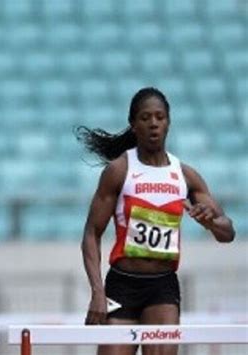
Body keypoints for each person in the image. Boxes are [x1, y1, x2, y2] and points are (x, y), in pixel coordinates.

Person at [75, 87, 235, 355]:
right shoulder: (119, 171)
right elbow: (91, 233)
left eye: (160, 117)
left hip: (162, 286)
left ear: (168, 123)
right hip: (122, 285)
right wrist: (97, 291)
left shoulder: (184, 175)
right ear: (133, 125)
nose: (153, 124)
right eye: (145, 117)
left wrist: (211, 223)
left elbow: (228, 232)